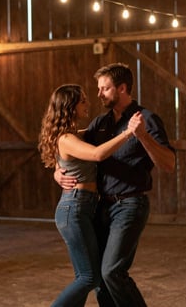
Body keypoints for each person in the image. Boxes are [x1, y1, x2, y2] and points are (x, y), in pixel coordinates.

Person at [54, 63, 176, 307]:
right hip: (101, 207)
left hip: (130, 204)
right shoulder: (100, 123)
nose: (99, 94)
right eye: (99, 89)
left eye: (105, 89)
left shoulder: (147, 119)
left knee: (112, 271)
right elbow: (66, 145)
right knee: (98, 276)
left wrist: (141, 135)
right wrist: (57, 172)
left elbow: (169, 164)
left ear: (122, 88)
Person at [38, 84, 138, 307]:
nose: (88, 103)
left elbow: (64, 161)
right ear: (70, 106)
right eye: (83, 100)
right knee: (88, 278)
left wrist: (57, 173)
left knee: (86, 276)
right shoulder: (66, 139)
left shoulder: (73, 135)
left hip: (84, 206)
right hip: (74, 208)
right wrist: (128, 132)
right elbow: (97, 154)